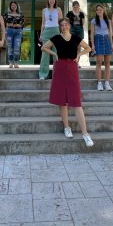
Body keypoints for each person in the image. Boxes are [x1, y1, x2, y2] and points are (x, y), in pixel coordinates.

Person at [42, 18, 94, 147]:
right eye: (62, 25)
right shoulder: (56, 38)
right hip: (59, 68)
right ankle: (67, 127)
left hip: (71, 68)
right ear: (60, 27)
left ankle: (85, 134)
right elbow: (44, 47)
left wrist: (78, 55)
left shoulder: (75, 38)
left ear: (69, 26)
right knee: (62, 101)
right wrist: (54, 53)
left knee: (76, 102)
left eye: (66, 24)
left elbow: (88, 48)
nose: (64, 27)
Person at [38, 0, 63, 81]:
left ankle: (58, 74)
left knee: (56, 53)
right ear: (48, 1)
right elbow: (43, 23)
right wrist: (41, 34)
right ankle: (43, 74)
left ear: (55, 1)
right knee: (45, 54)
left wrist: (62, 33)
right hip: (46, 32)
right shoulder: (44, 10)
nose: (51, 1)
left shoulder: (58, 9)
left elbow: (61, 22)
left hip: (56, 31)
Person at [90, 4, 113, 91]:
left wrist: (111, 44)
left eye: (100, 10)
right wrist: (93, 45)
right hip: (98, 40)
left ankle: (107, 83)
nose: (99, 11)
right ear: (96, 12)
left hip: (106, 40)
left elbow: (110, 34)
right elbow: (92, 34)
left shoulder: (108, 21)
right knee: (99, 63)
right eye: (97, 10)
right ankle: (99, 83)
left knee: (107, 64)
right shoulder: (93, 21)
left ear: (103, 10)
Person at [3, 1, 24, 68]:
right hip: (9, 31)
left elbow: (22, 24)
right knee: (10, 48)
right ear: (10, 6)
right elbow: (3, 23)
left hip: (18, 32)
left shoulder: (20, 14)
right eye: (12, 5)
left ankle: (16, 62)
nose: (13, 6)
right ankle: (11, 62)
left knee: (17, 47)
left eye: (14, 5)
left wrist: (17, 25)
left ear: (17, 6)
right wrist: (5, 30)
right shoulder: (7, 14)